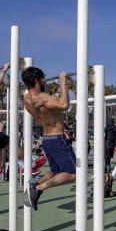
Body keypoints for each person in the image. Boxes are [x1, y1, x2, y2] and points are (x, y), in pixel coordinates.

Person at [22, 67, 76, 211]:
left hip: (47, 139)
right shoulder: (42, 97)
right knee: (74, 173)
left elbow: (51, 108)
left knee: (57, 172)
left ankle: (35, 184)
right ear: (36, 80)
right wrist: (63, 82)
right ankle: (39, 188)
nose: (44, 80)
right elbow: (64, 105)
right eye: (42, 78)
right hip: (57, 139)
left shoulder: (26, 100)